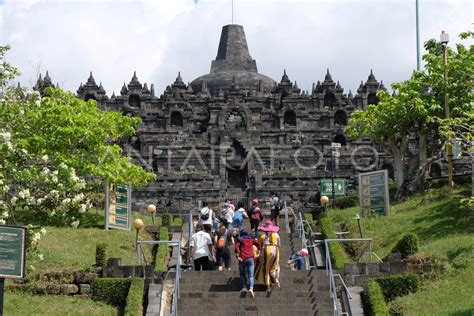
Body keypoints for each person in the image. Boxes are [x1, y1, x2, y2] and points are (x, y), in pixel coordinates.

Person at [255, 220, 281, 292]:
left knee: (265, 269)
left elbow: (259, 246)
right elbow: (279, 244)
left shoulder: (262, 236)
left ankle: (268, 286)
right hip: (275, 249)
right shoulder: (276, 235)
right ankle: (275, 278)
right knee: (274, 266)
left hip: (266, 249)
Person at [235, 229, 261, 297]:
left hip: (242, 258)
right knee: (251, 275)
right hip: (250, 258)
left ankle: (244, 288)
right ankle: (251, 289)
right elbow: (259, 245)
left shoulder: (240, 239)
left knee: (242, 274)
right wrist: (259, 251)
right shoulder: (251, 239)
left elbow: (236, 247)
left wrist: (238, 253)